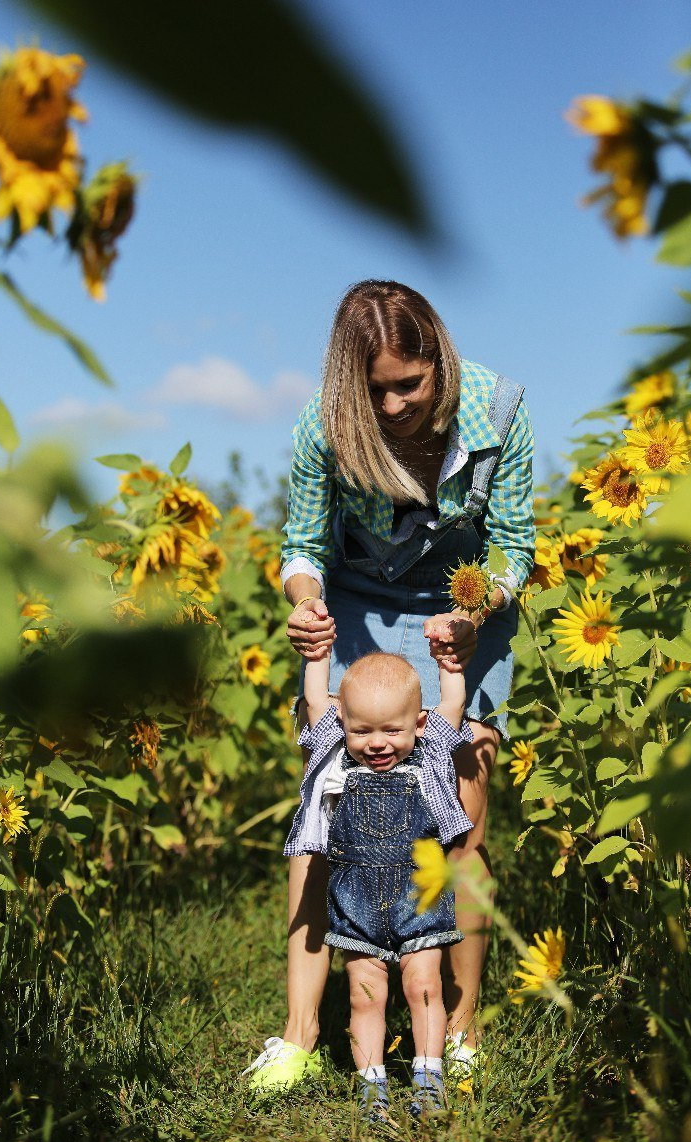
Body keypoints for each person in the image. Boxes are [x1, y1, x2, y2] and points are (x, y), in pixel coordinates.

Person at [244, 280, 534, 1094]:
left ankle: (461, 1024)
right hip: (360, 610)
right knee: (326, 801)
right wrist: (306, 606)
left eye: (414, 381)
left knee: (461, 809)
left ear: (440, 360)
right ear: (350, 383)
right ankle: (302, 1033)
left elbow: (515, 545)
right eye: (379, 389)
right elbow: (302, 545)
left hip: (463, 605)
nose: (399, 401)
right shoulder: (322, 429)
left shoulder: (500, 412)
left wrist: (477, 611)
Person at [263, 642, 471, 1120]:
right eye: (362, 731)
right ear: (343, 726)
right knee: (364, 995)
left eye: (393, 730)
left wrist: (449, 665)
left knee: (424, 986)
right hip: (356, 904)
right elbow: (316, 703)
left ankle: (429, 1078)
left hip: (419, 896)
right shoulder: (337, 759)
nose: (378, 743)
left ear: (418, 725)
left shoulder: (431, 751)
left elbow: (454, 703)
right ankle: (372, 1089)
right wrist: (317, 658)